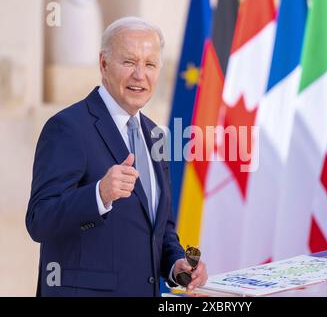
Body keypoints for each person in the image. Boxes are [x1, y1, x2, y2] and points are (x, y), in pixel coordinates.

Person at [26, 17, 207, 297]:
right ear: (103, 64)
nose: (140, 75)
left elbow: (161, 228)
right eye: (129, 62)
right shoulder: (67, 127)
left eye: (150, 64)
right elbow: (39, 221)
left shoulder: (156, 135)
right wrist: (99, 194)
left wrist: (176, 266)